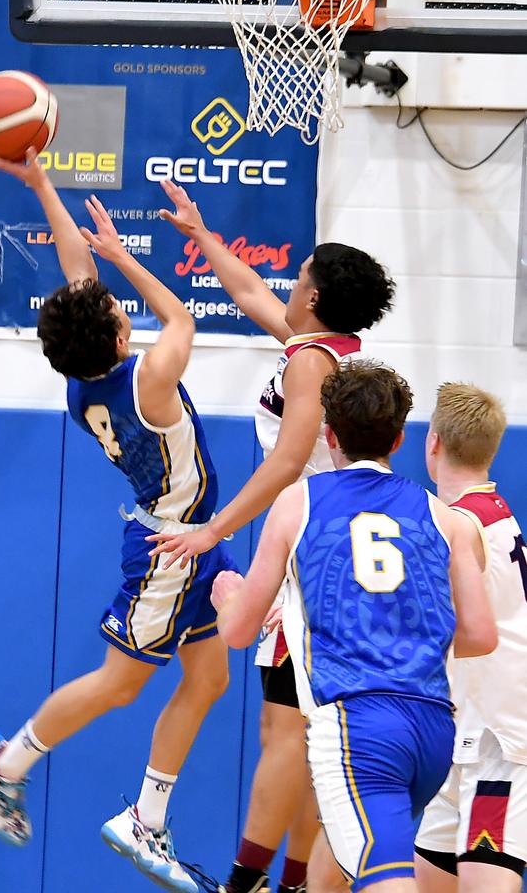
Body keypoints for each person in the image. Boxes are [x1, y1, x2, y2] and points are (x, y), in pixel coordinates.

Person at [0, 149, 236, 893]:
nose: (120, 302)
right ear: (119, 339)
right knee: (121, 683)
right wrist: (126, 256)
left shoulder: (82, 383)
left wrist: (43, 185)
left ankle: (148, 819)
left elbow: (76, 274)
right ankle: (6, 762)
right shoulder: (149, 383)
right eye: (119, 310)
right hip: (169, 546)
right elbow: (179, 314)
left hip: (192, 539)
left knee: (208, 677)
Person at [153, 181, 395, 893]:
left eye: (303, 275)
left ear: (315, 297)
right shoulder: (326, 348)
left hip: (315, 564)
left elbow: (290, 459)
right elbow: (253, 292)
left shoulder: (309, 363)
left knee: (287, 737)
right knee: (310, 740)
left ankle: (252, 881)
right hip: (334, 557)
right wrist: (201, 236)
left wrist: (211, 530)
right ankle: (290, 882)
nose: (291, 282)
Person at [210, 361, 497, 893]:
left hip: (357, 728)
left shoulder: (297, 503)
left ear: (328, 434)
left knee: (381, 878)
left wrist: (228, 598)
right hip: (433, 731)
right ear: (399, 438)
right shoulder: (449, 519)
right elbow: (481, 636)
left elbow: (240, 632)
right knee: (338, 867)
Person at [415, 384, 527, 893]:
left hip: (498, 737)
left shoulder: (461, 524)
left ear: (432, 443)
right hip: (464, 728)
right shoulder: (493, 512)